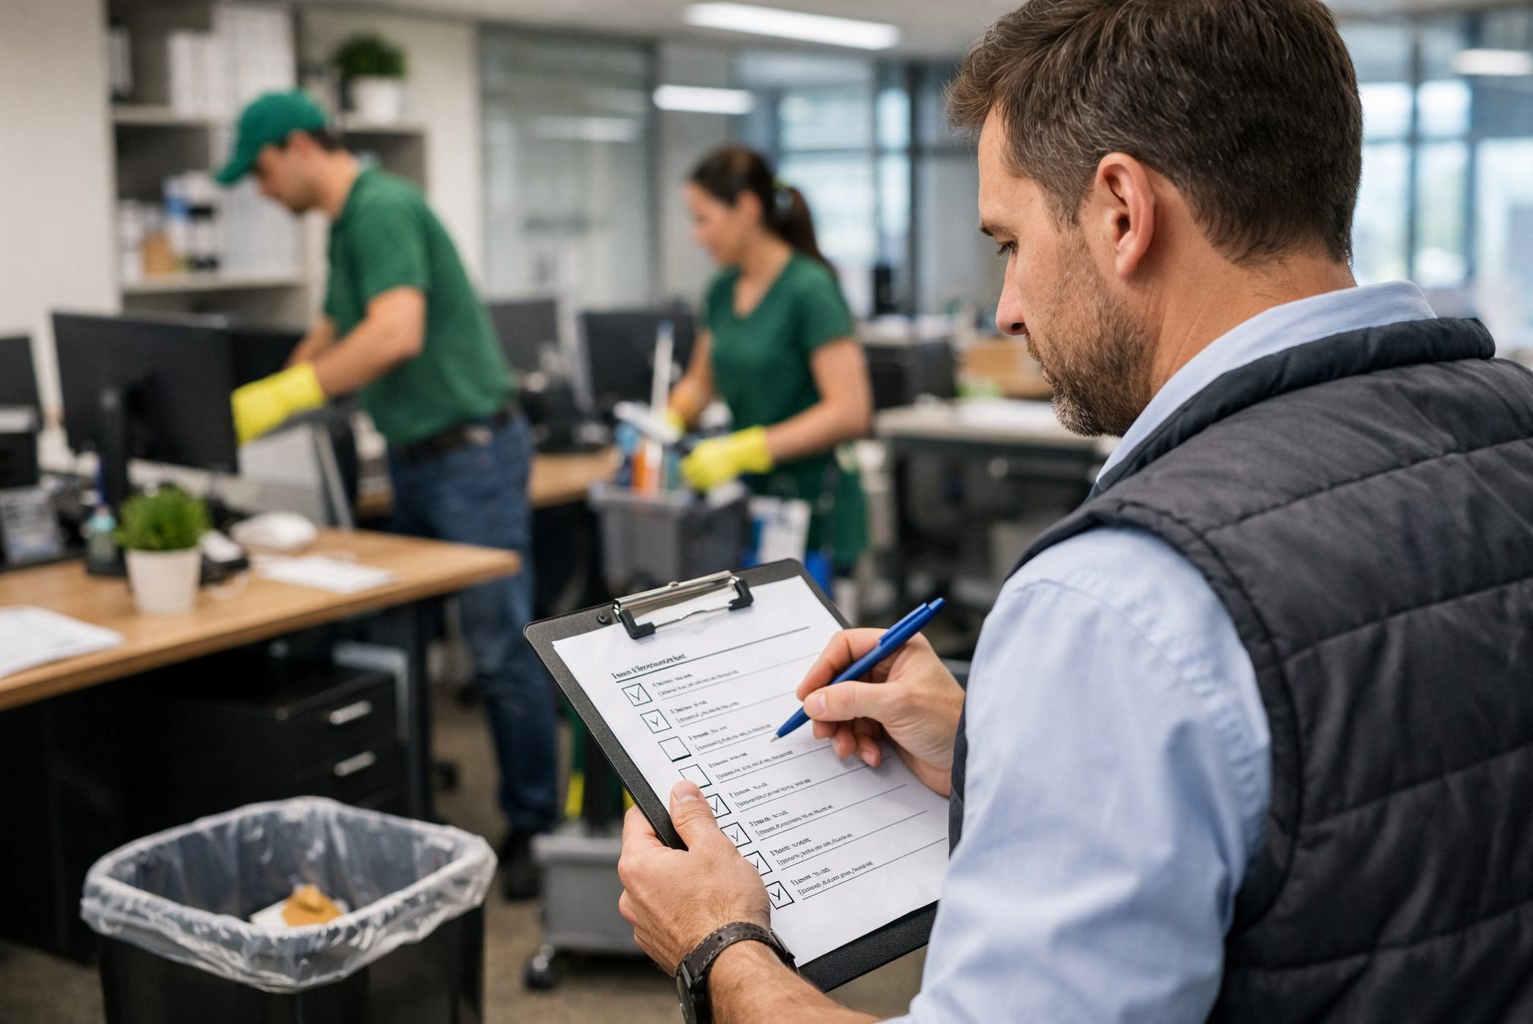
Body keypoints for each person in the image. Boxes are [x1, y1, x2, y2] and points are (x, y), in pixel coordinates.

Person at [617, 1, 1533, 1021]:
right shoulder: (1511, 426)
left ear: (1122, 212)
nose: (1006, 305)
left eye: (1007, 243)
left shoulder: (1120, 603)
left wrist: (723, 948)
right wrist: (994, 739)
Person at [219, 91, 557, 899]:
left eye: (263, 172)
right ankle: (398, 811)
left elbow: (394, 332)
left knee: (500, 646)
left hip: (469, 457)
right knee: (391, 633)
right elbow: (335, 332)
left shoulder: (380, 207)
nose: (262, 190)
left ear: (300, 147)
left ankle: (536, 826)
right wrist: (258, 403)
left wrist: (287, 396)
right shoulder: (346, 227)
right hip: (416, 458)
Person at [668, 147, 873, 576]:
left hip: (814, 511)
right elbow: (702, 382)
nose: (696, 235)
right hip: (751, 510)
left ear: (745, 208)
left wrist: (749, 448)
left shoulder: (809, 290)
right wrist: (671, 417)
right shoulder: (722, 289)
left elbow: (850, 412)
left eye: (703, 219)